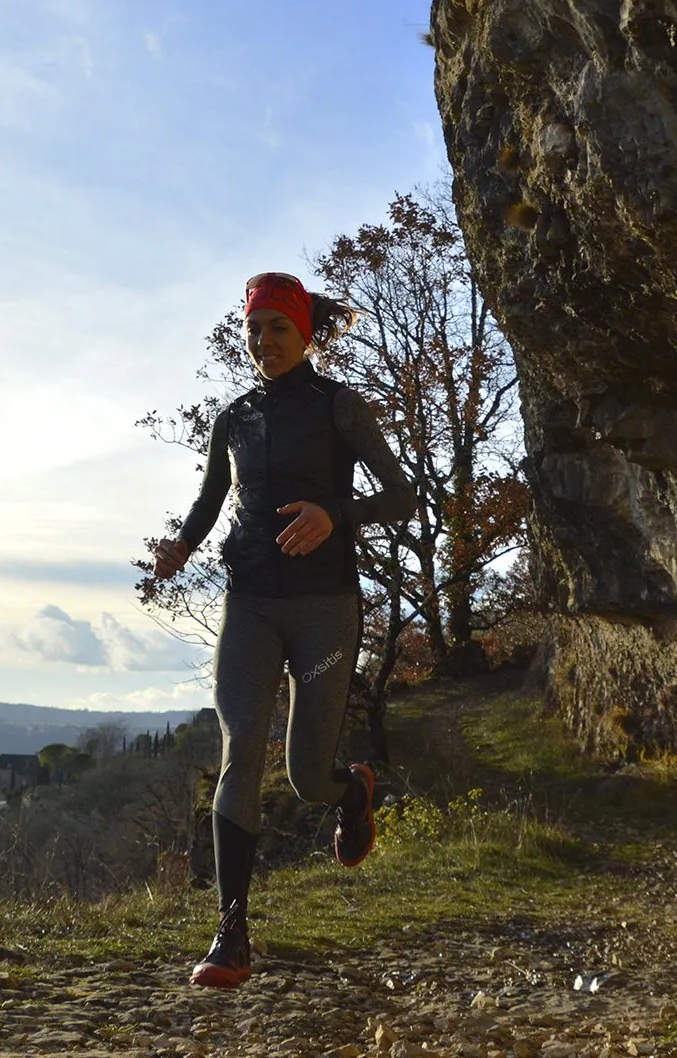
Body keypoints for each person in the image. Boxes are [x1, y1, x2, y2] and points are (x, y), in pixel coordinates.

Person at [152, 271, 416, 990]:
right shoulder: (233, 416)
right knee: (240, 749)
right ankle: (231, 931)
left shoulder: (340, 407)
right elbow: (211, 498)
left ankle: (352, 788)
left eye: (277, 327)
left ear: (305, 332)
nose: (263, 341)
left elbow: (403, 495)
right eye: (253, 329)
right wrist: (181, 546)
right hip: (250, 604)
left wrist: (335, 512)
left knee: (305, 777)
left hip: (324, 606)